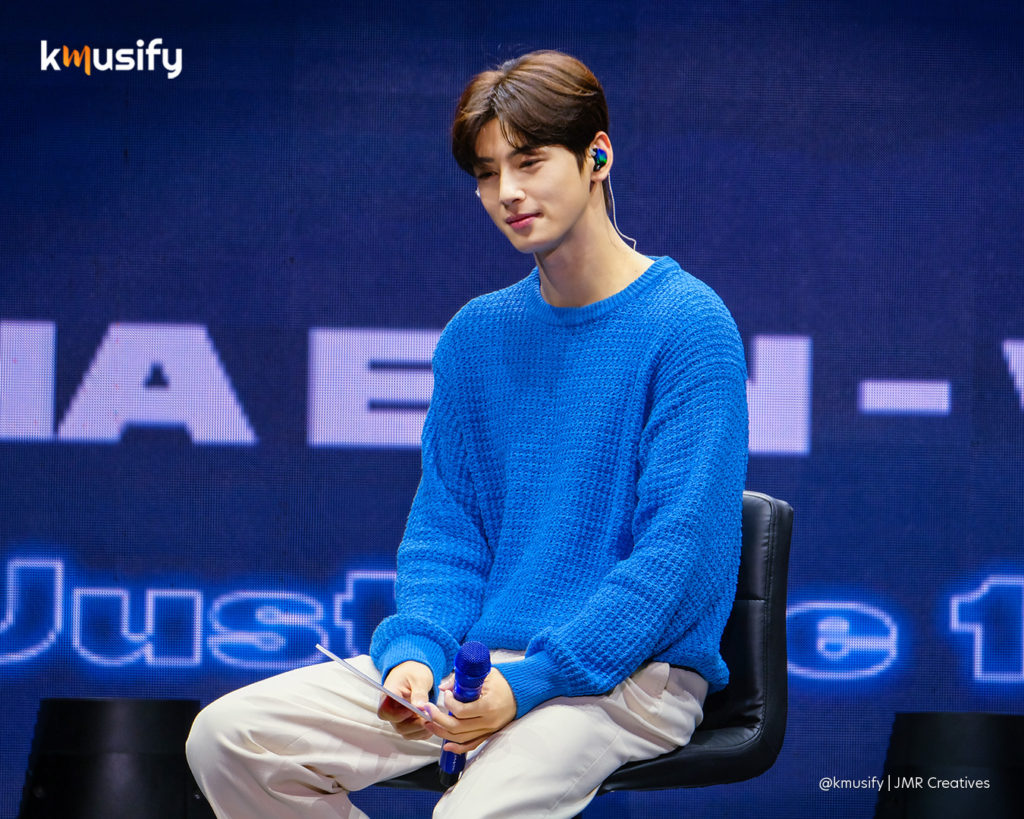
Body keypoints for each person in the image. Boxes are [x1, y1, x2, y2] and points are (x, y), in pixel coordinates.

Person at [186, 49, 748, 818]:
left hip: (627, 677)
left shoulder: (688, 325)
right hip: (478, 668)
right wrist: (416, 652)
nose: (507, 191)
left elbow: (677, 556)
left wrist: (531, 681)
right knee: (231, 737)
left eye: (529, 161)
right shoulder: (476, 335)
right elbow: (448, 531)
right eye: (487, 173)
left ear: (597, 156)